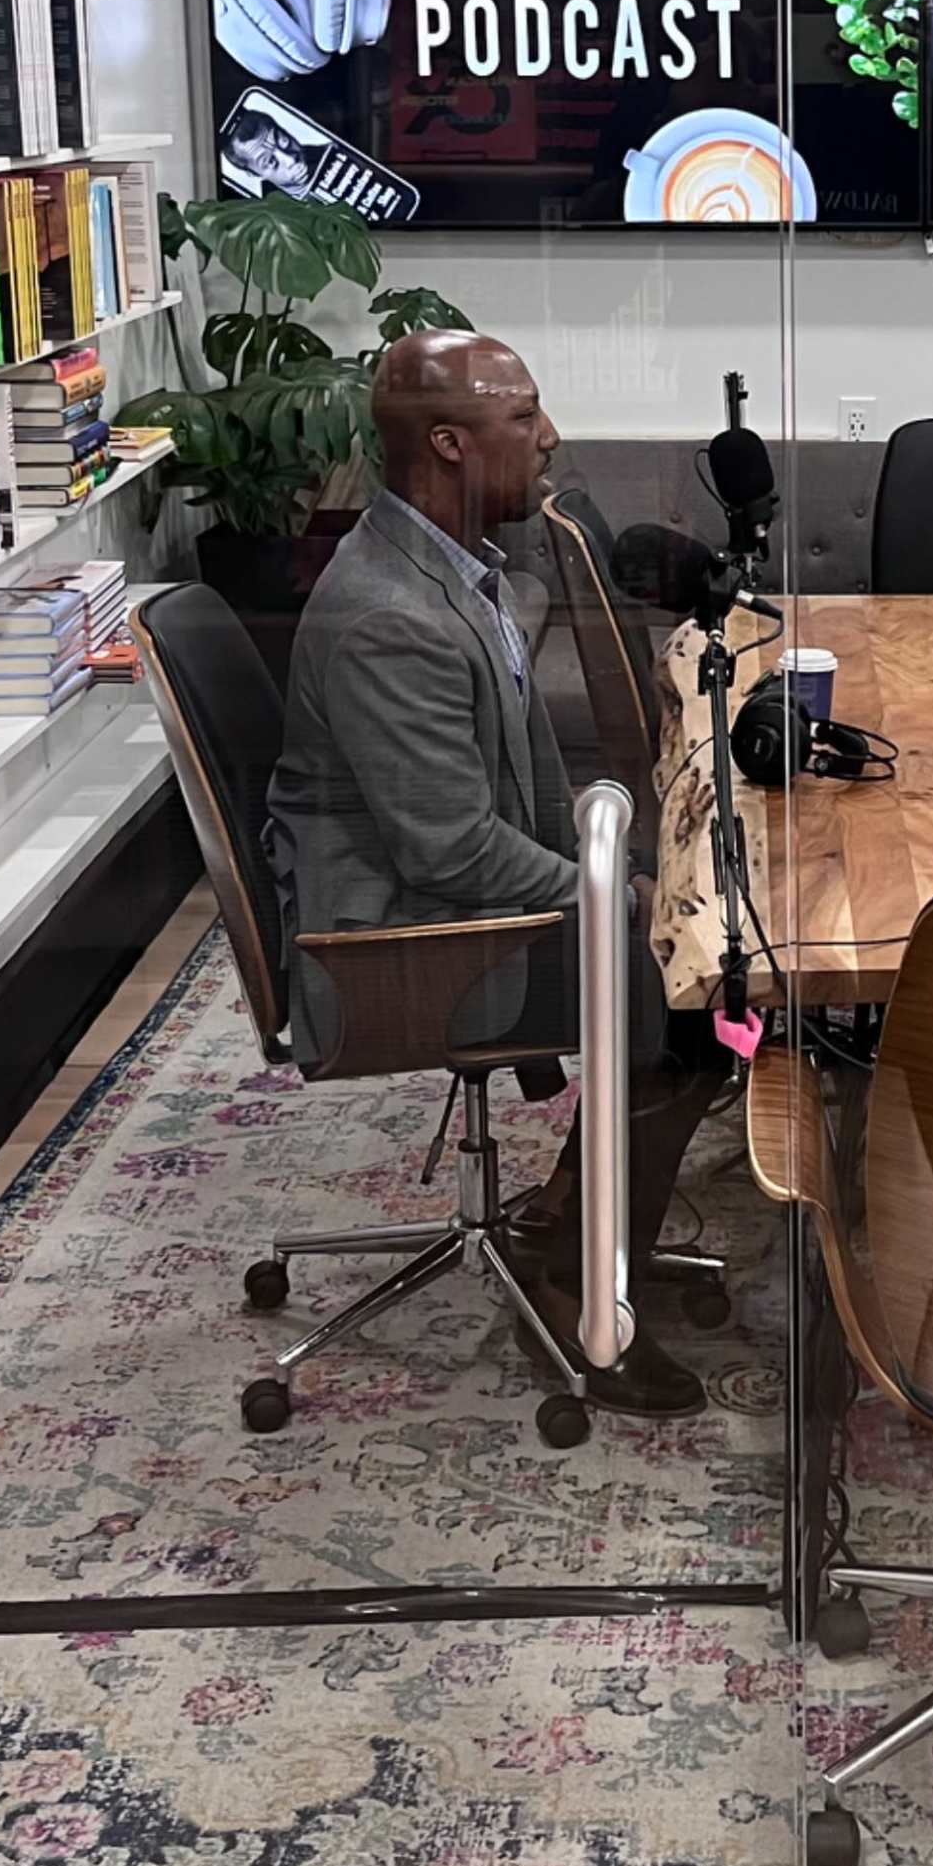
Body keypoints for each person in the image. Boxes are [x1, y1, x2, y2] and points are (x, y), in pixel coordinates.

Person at [268, 328, 717, 1416]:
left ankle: (581, 1219)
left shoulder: (453, 569)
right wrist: (627, 898)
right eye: (522, 416)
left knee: (685, 938)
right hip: (391, 948)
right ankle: (577, 1290)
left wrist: (622, 873)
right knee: (694, 998)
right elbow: (453, 849)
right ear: (448, 444)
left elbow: (494, 808)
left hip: (434, 900)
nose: (549, 435)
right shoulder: (391, 617)